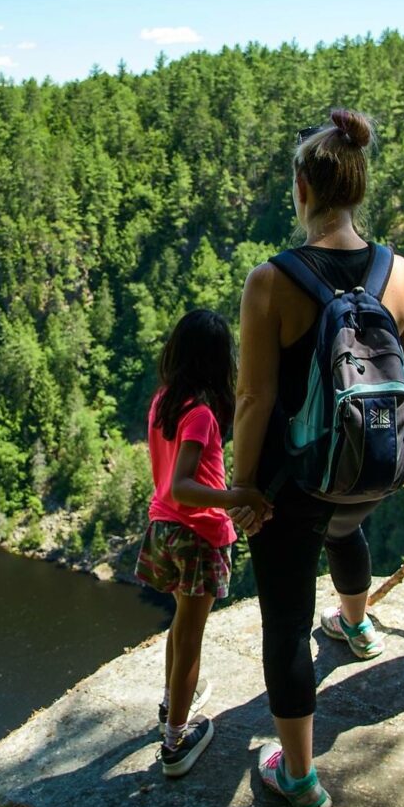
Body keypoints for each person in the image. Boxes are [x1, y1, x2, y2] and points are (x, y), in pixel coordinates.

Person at [230, 110, 404, 807]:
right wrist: (391, 458)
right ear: (357, 188)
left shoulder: (271, 280)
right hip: (373, 469)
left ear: (303, 191)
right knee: (347, 530)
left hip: (294, 483)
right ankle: (359, 625)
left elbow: (253, 398)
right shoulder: (399, 275)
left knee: (285, 620)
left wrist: (244, 486)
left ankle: (302, 779)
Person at [135, 309, 270, 778]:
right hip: (197, 534)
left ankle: (173, 703)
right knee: (191, 635)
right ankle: (176, 739)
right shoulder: (201, 414)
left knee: (181, 623)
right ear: (218, 361)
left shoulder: (163, 401)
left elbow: (169, 489)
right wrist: (238, 496)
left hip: (164, 531)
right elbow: (183, 486)